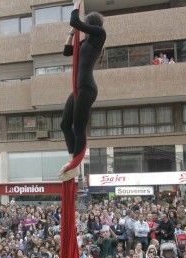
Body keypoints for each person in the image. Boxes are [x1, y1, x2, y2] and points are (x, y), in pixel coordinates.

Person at [59, 1, 106, 180]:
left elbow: (75, 21)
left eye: (87, 24)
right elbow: (66, 51)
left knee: (79, 127)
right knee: (64, 124)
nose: (84, 28)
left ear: (91, 24)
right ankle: (72, 160)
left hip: (87, 88)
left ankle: (76, 165)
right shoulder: (86, 41)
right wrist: (72, 33)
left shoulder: (100, 35)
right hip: (78, 88)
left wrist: (76, 5)